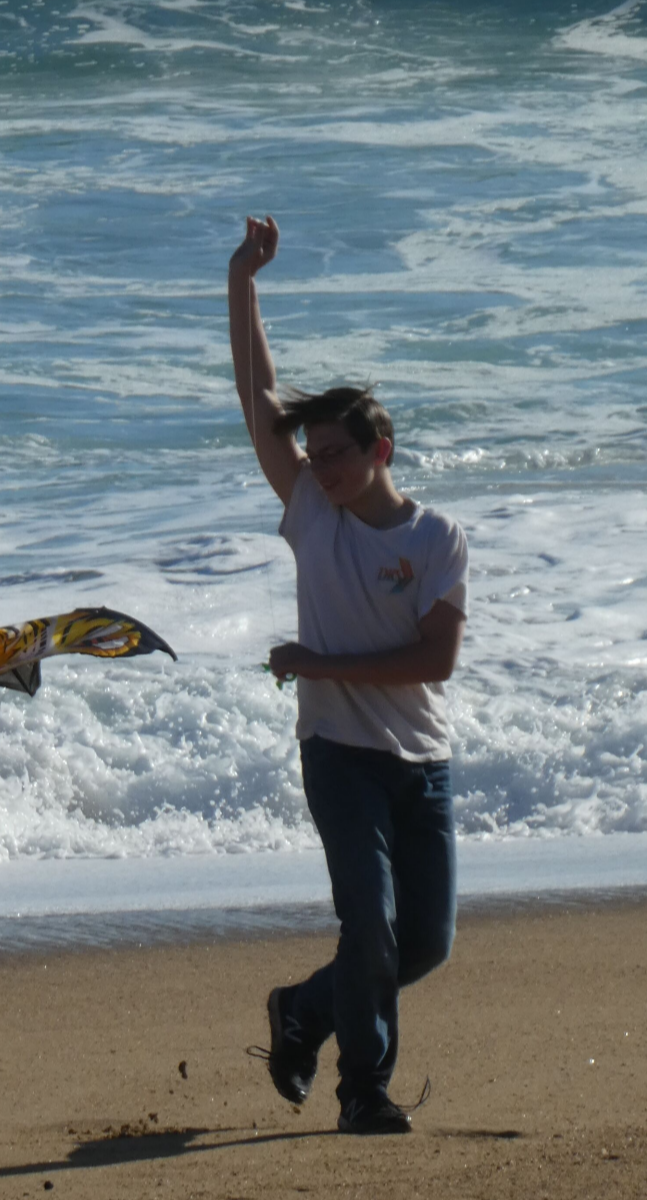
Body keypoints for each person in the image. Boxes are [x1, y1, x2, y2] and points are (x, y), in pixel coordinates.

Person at [227, 215, 469, 1135]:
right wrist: (243, 281)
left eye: (335, 453)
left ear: (381, 451)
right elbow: (257, 394)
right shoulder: (308, 514)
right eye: (312, 454)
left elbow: (433, 663)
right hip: (338, 754)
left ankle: (304, 1010)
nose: (318, 468)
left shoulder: (434, 538)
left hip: (424, 763)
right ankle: (363, 1089)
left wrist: (317, 661)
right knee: (370, 924)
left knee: (424, 945)